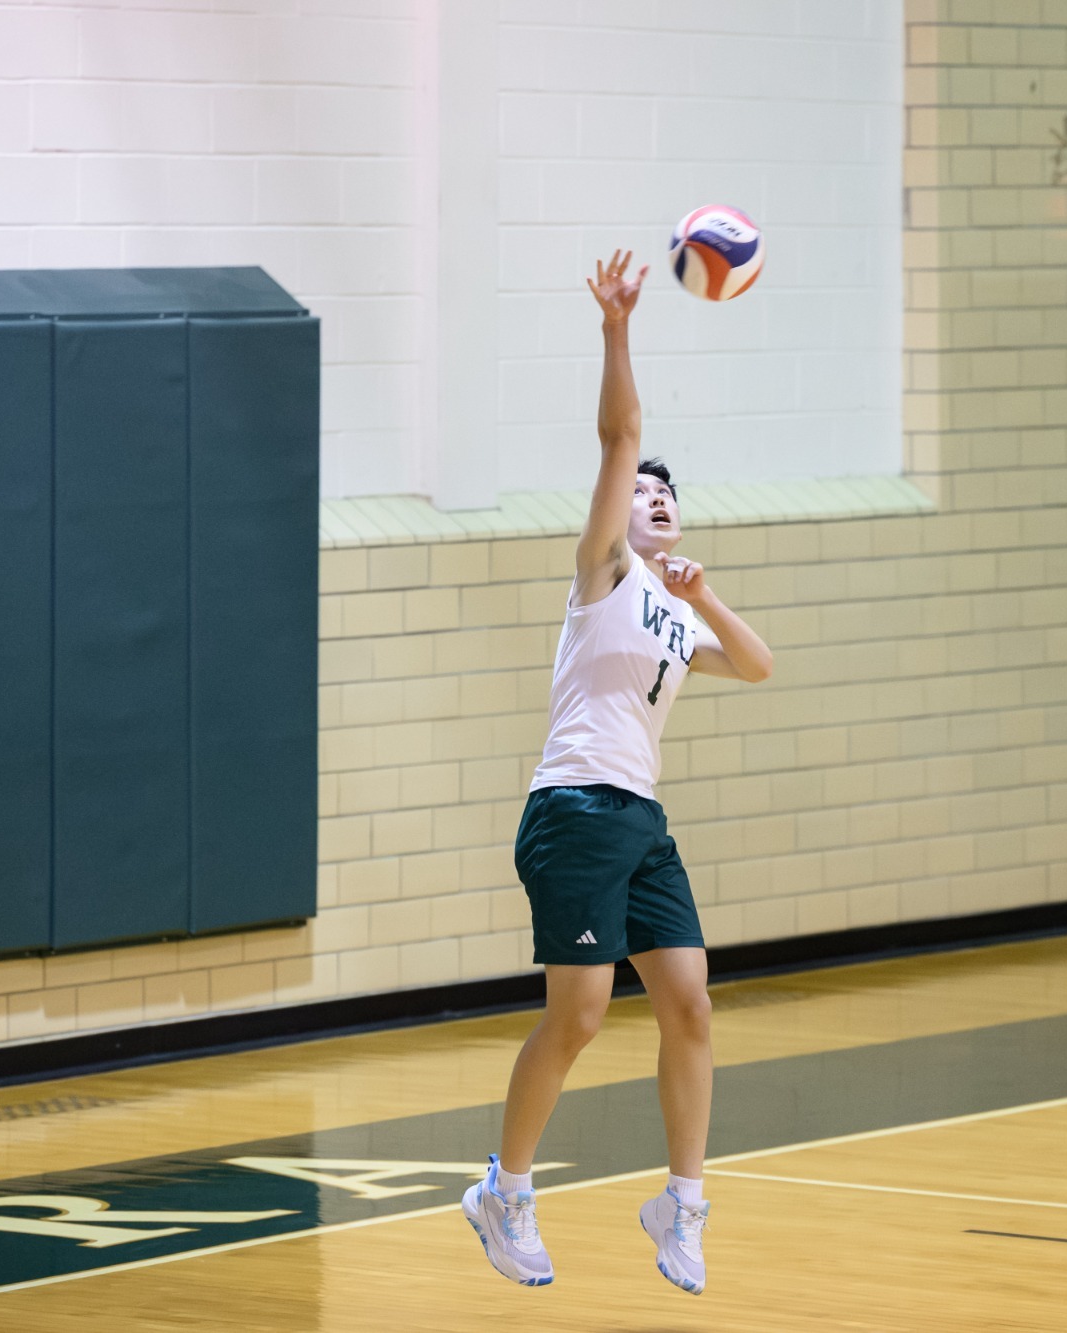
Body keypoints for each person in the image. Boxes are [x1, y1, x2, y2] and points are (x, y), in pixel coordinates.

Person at [462, 250, 775, 1295]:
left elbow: (758, 666)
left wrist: (708, 597)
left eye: (661, 494)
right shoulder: (601, 571)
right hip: (573, 809)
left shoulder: (675, 611)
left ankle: (680, 1204)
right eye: (638, 493)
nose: (649, 495)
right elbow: (619, 435)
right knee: (582, 1013)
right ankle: (503, 1189)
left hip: (639, 820)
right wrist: (615, 328)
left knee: (689, 1005)